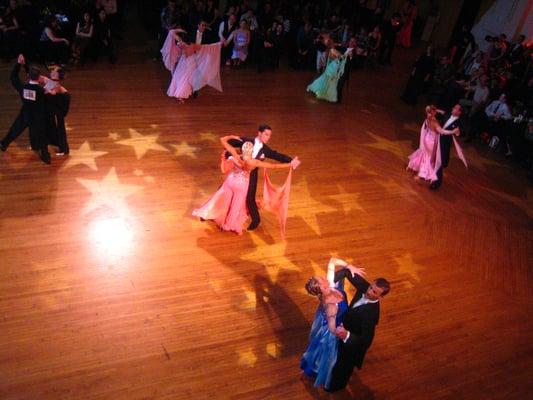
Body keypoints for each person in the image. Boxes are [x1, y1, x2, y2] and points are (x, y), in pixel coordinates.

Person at [192, 136, 297, 235]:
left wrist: (231, 136)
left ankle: (209, 214)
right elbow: (274, 166)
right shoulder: (254, 162)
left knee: (221, 199)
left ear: (242, 150)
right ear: (251, 151)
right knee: (235, 206)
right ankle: (228, 225)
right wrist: (290, 164)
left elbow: (223, 140)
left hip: (230, 182)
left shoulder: (236, 155)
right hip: (241, 186)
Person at [325, 263, 391, 392]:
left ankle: (335, 387)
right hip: (344, 328)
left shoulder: (371, 316)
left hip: (351, 345)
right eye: (371, 287)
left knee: (343, 367)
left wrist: (347, 335)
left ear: (381, 297)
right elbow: (346, 272)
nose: (369, 291)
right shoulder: (365, 287)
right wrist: (348, 267)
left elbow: (366, 341)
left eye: (374, 292)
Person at [301, 258, 365, 389]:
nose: (325, 278)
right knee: (328, 357)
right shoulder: (331, 306)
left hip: (340, 321)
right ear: (322, 288)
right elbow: (331, 327)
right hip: (334, 329)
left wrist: (350, 266)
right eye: (322, 280)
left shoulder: (330, 285)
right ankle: (318, 372)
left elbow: (332, 261)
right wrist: (342, 333)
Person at [227, 125, 300, 231]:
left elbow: (276, 155)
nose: (268, 137)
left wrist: (291, 161)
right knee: (225, 189)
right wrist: (231, 153)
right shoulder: (247, 140)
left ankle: (256, 220)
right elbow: (231, 144)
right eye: (266, 134)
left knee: (250, 198)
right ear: (259, 133)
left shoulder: (265, 149)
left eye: (269, 135)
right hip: (238, 172)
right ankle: (209, 212)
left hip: (252, 175)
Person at [0, 54, 50, 164]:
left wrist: (19, 64)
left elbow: (13, 77)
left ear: (28, 76)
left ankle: (4, 144)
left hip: (26, 113)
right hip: (38, 116)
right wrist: (46, 81)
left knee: (15, 129)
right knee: (41, 135)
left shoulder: (23, 88)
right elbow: (50, 89)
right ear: (39, 77)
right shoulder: (41, 91)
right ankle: (46, 157)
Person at [407, 105, 459, 183]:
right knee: (428, 158)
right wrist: (453, 131)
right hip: (431, 142)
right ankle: (419, 175)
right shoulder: (435, 123)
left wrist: (437, 110)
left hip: (426, 138)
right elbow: (442, 132)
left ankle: (413, 166)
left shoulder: (427, 119)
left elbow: (440, 113)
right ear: (434, 113)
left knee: (423, 154)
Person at [430, 104, 468, 190]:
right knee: (431, 157)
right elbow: (436, 114)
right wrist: (434, 111)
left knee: (439, 162)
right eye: (453, 107)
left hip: (444, 143)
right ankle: (427, 173)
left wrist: (458, 133)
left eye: (455, 108)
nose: (453, 108)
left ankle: (436, 183)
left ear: (459, 112)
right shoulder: (446, 114)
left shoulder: (460, 122)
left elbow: (463, 132)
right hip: (436, 138)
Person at [43, 66, 71, 156]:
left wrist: (46, 90)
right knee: (53, 127)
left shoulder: (56, 85)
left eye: (54, 72)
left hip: (57, 110)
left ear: (58, 76)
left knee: (60, 129)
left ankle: (63, 149)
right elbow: (41, 78)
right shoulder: (51, 81)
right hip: (53, 108)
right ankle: (56, 143)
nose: (51, 72)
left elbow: (53, 93)